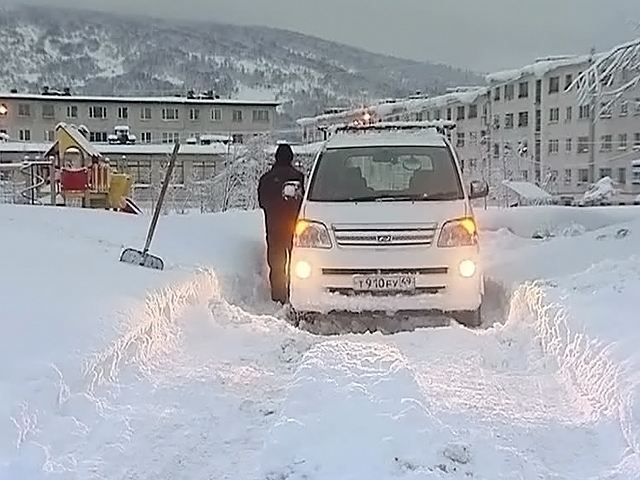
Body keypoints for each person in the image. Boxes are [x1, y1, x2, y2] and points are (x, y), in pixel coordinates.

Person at [258, 144, 304, 304]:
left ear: (276, 158)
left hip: (274, 227)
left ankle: (278, 297)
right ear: (291, 158)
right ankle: (295, 294)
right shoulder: (299, 178)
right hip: (296, 228)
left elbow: (262, 202)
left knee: (277, 264)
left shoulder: (266, 179)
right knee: (298, 263)